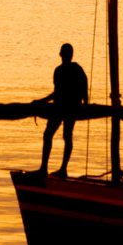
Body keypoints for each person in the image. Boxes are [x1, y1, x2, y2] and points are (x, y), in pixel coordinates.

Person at [35, 43, 88, 179]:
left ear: (61, 55)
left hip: (62, 107)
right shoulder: (77, 69)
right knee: (66, 136)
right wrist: (85, 104)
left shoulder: (59, 71)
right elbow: (84, 88)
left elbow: (57, 94)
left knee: (49, 134)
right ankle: (62, 168)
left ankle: (46, 168)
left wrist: (41, 101)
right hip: (72, 107)